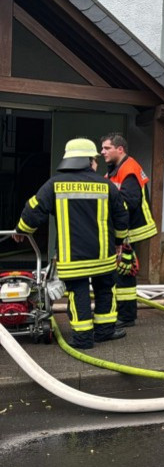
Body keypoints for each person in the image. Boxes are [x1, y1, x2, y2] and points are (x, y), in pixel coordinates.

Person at [14, 138, 129, 349]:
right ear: (86, 160)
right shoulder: (106, 186)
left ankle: (83, 339)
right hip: (103, 256)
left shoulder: (55, 185)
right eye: (94, 159)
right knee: (105, 290)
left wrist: (22, 230)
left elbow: (33, 210)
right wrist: (119, 243)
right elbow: (122, 215)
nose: (96, 162)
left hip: (74, 258)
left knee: (79, 293)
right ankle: (104, 332)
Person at [100, 132, 158, 328]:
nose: (102, 152)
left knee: (124, 272)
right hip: (125, 229)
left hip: (130, 230)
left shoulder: (129, 169)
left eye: (107, 148)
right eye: (102, 148)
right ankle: (123, 313)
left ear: (120, 149)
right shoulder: (116, 169)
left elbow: (129, 202)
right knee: (122, 272)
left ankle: (125, 316)